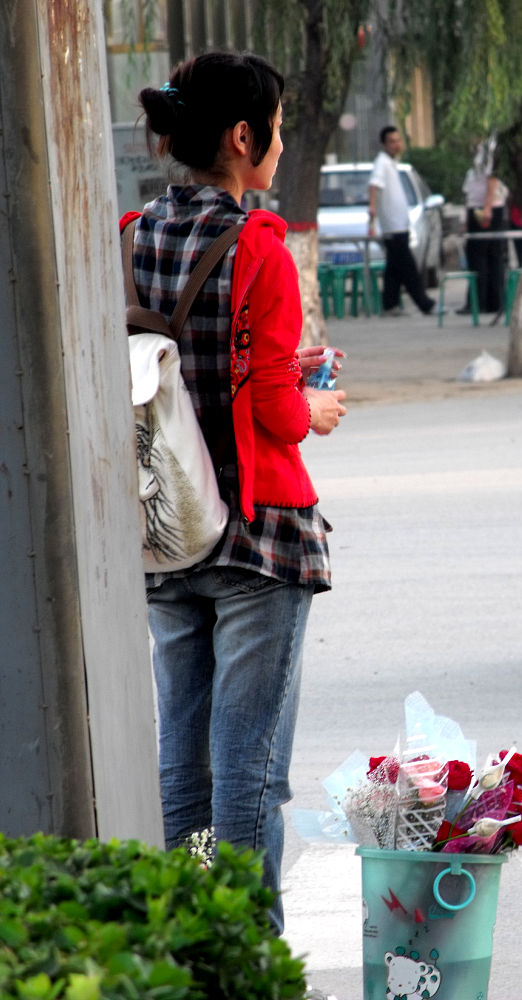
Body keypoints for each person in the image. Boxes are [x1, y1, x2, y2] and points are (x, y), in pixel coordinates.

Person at [128, 50, 346, 933]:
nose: (282, 146)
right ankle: (248, 956)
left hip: (167, 526)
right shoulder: (261, 247)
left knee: (185, 764)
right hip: (257, 534)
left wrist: (279, 374)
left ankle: (191, 940)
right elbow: (270, 411)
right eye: (278, 129)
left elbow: (160, 371)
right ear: (243, 136)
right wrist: (314, 404)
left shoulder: (127, 236)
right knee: (249, 767)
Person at [368, 126, 435, 317]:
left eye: (398, 140)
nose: (396, 144)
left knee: (394, 268)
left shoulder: (392, 163)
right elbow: (374, 186)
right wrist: (372, 211)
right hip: (393, 227)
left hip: (400, 225)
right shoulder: (382, 163)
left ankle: (390, 304)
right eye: (392, 141)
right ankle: (425, 303)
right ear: (384, 144)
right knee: (408, 267)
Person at [459, 137, 508, 314]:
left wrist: (487, 209)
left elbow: (492, 180)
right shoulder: (482, 150)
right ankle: (491, 301)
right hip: (480, 207)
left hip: (485, 209)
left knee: (479, 257)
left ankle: (479, 301)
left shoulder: (488, 150)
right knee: (488, 255)